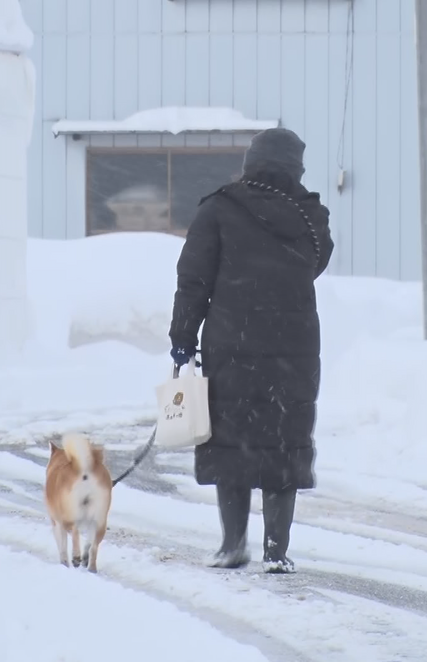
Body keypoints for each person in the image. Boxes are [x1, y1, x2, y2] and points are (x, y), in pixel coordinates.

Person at [168, 127, 334, 574]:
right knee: (284, 441)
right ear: (295, 167)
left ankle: (232, 544)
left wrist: (182, 338)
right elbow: (318, 264)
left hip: (231, 345)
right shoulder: (310, 216)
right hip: (293, 347)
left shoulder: (219, 208)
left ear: (250, 163)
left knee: (232, 443)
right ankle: (276, 550)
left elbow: (193, 280)